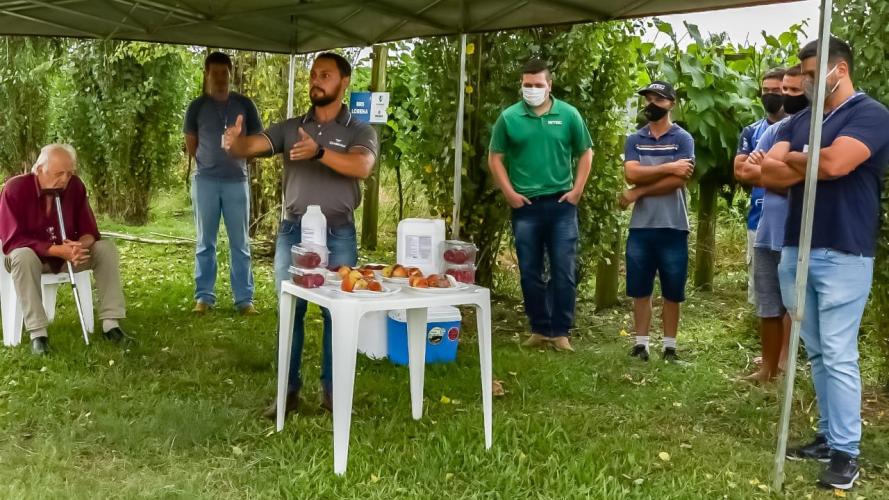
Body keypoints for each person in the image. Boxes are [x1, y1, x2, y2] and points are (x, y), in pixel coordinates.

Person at [762, 36, 889, 490]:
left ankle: (846, 454)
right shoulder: (804, 120)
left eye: (813, 76)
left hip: (843, 251)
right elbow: (766, 172)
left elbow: (835, 164)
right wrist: (805, 162)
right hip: (798, 247)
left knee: (837, 353)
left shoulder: (870, 115)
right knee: (816, 349)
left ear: (840, 70)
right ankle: (829, 436)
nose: (804, 83)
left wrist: (798, 161)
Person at [223, 53, 378, 416]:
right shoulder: (292, 127)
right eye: (312, 74)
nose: (315, 80)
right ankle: (286, 393)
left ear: (344, 83)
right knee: (289, 310)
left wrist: (319, 152)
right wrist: (235, 143)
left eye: (325, 75)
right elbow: (254, 146)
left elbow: (362, 166)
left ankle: (333, 393)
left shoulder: (359, 130)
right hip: (293, 232)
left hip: (338, 232)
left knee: (336, 313)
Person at [488, 58, 593, 353]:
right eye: (527, 85)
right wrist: (509, 193)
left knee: (563, 269)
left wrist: (576, 191)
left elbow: (586, 153)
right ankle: (539, 328)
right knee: (530, 271)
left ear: (549, 85)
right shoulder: (509, 118)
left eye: (537, 85)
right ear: (521, 85)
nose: (532, 89)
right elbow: (495, 157)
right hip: (526, 206)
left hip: (561, 204)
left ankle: (561, 331)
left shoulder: (569, 115)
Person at [0, 144, 129, 355]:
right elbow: (13, 240)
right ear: (39, 169)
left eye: (69, 173)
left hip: (69, 257)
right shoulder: (15, 189)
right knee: (23, 255)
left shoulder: (75, 187)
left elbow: (89, 231)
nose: (65, 179)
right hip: (29, 259)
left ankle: (111, 325)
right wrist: (54, 250)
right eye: (59, 173)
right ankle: (38, 334)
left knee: (105, 248)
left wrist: (79, 246)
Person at [735, 66, 807, 383]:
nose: (785, 96)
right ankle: (767, 368)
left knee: (794, 305)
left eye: (793, 91)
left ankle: (785, 367)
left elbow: (811, 181)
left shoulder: (818, 129)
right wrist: (784, 177)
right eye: (784, 90)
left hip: (797, 233)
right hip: (767, 231)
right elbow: (748, 172)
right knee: (768, 304)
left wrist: (773, 173)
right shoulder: (776, 130)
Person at [619, 81, 694, 363]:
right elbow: (631, 173)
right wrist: (668, 167)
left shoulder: (683, 138)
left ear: (671, 104)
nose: (651, 104)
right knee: (640, 288)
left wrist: (639, 191)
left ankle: (670, 348)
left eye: (658, 99)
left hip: (674, 224)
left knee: (673, 289)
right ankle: (640, 345)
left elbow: (679, 180)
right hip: (641, 226)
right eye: (649, 98)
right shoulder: (634, 139)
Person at [184, 51, 263, 315]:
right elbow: (191, 145)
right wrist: (210, 162)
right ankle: (204, 296)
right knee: (205, 241)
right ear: (206, 75)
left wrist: (238, 156)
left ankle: (244, 299)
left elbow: (257, 143)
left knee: (240, 243)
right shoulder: (197, 106)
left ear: (231, 74)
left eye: (224, 73)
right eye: (214, 73)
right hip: (205, 181)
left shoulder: (244, 105)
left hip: (236, 182)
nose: (219, 78)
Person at [734, 68, 786, 308]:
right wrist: (784, 173)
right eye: (766, 90)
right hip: (758, 219)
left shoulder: (802, 128)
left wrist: (762, 166)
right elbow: (740, 170)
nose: (770, 95)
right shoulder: (752, 131)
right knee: (762, 293)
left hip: (791, 221)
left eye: (776, 90)